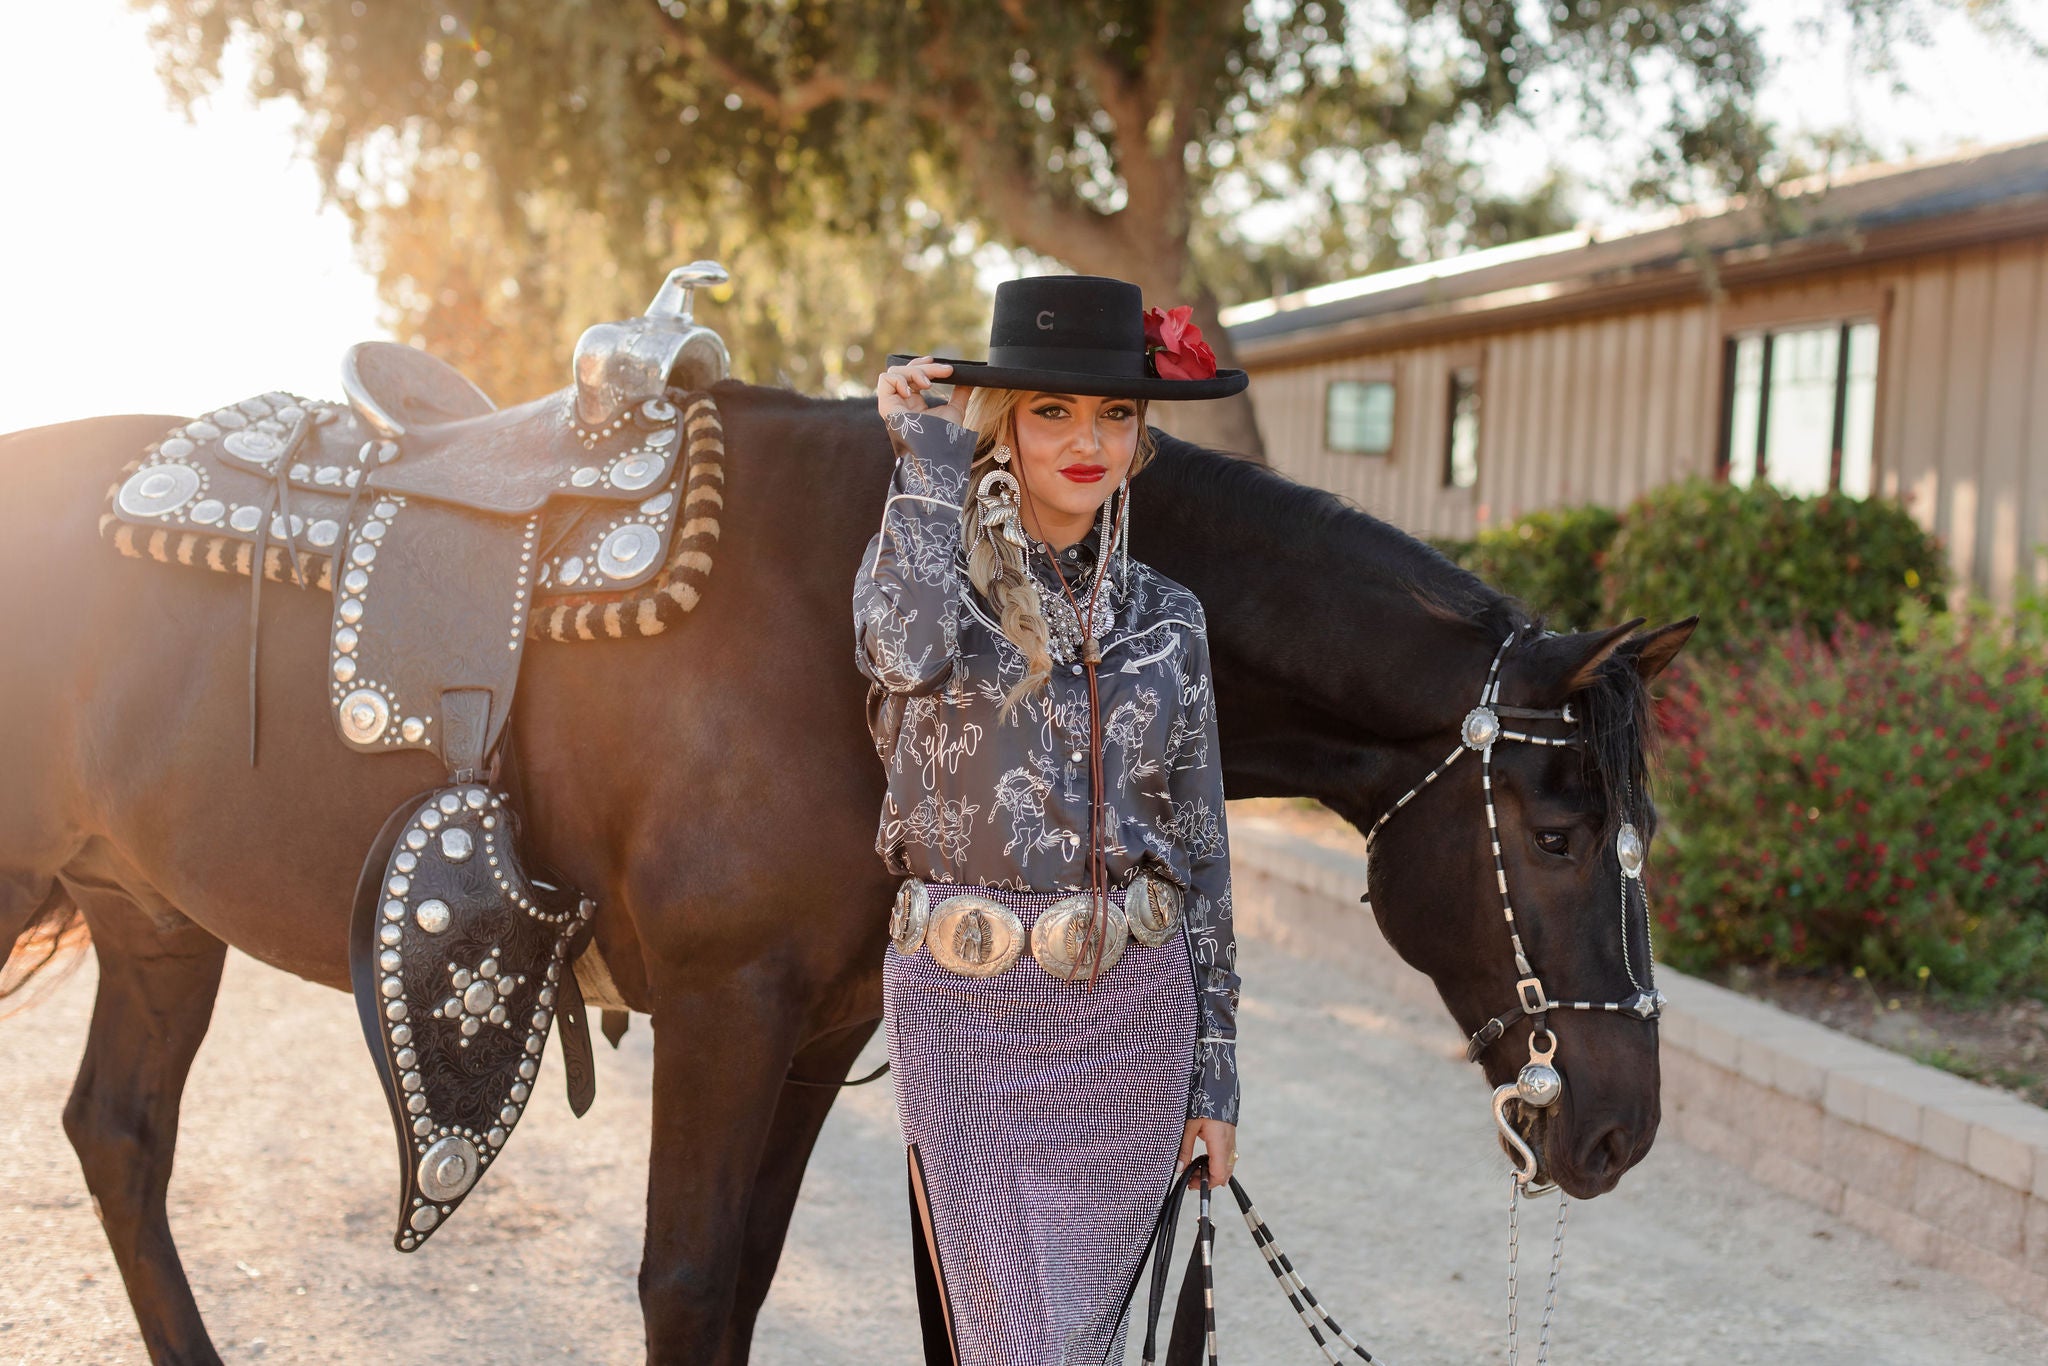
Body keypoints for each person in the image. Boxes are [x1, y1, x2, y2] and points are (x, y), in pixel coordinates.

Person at [853, 273, 1249, 1366]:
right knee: (1016, 1347)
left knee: (1084, 1342)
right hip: (964, 1025)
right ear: (1001, 424)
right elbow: (902, 653)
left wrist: (1214, 1073)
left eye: (1115, 414)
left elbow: (1201, 846)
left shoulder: (1170, 618)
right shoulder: (929, 574)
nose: (1089, 441)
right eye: (1052, 411)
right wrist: (925, 468)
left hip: (1132, 1023)